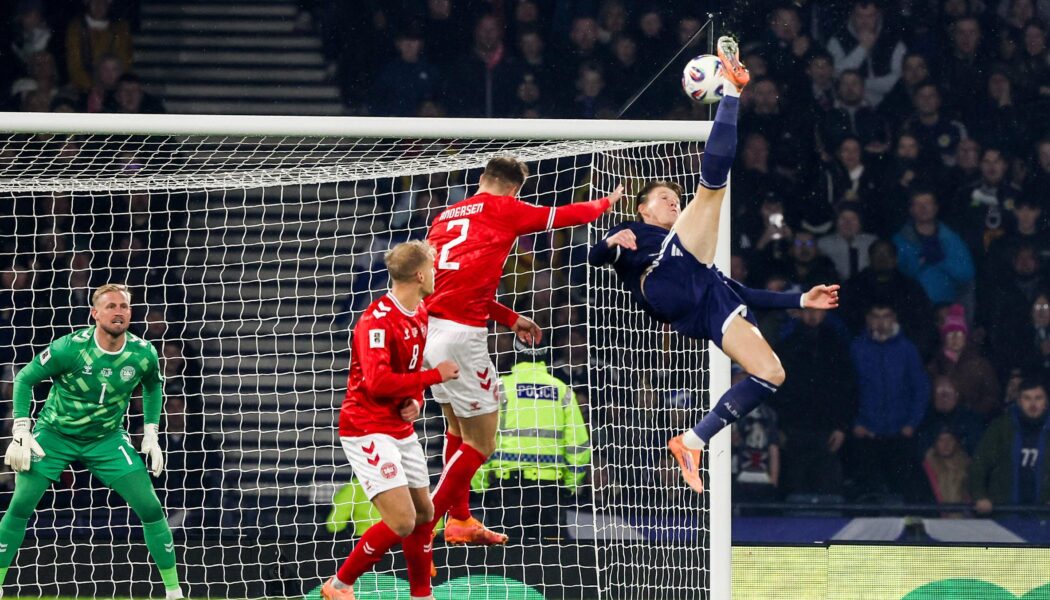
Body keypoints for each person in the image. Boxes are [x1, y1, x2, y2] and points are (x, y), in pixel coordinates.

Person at [587, 37, 839, 494]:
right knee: (711, 190)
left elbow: (745, 293)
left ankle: (692, 440)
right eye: (664, 198)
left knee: (772, 373)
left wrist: (802, 299)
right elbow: (594, 259)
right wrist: (608, 243)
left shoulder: (695, 251)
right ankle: (734, 93)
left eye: (674, 198)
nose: (672, 202)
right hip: (664, 280)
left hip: (701, 302)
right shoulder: (636, 232)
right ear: (642, 208)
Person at [404, 155, 621, 597]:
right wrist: (607, 202)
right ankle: (426, 526)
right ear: (514, 189)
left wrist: (509, 317)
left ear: (483, 178)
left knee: (455, 429)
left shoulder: (446, 216)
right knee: (482, 442)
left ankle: (460, 519)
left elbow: (455, 284)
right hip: (462, 337)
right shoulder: (505, 209)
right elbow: (568, 215)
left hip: (428, 330)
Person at [2, 284, 184, 599]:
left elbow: (154, 386)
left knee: (151, 508)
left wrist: (151, 432)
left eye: (124, 306)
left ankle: (174, 592)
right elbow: (24, 379)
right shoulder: (70, 348)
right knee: (19, 506)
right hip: (55, 435)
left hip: (106, 439)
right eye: (111, 306)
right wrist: (21, 429)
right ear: (95, 313)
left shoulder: (143, 352)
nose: (119, 312)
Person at [320, 241, 459, 600]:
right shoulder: (376, 321)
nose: (435, 273)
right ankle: (339, 585)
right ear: (419, 275)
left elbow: (409, 369)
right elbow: (378, 382)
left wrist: (416, 398)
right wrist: (434, 377)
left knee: (425, 513)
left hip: (399, 426)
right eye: (432, 267)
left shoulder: (420, 312)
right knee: (402, 521)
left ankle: (421, 595)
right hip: (366, 428)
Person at [471, 338, 589, 542]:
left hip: (507, 491)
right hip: (550, 492)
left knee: (506, 558)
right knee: (551, 557)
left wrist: (481, 485)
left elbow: (480, 440)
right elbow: (579, 446)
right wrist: (570, 486)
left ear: (515, 355)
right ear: (545, 356)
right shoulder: (562, 391)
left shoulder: (500, 388)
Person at [969, 378, 1050, 514]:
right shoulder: (1001, 427)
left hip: (1045, 516)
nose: (1033, 404)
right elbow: (979, 464)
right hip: (1005, 513)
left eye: (1038, 398)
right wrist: (980, 496)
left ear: (1046, 402)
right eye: (1027, 398)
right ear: (1018, 401)